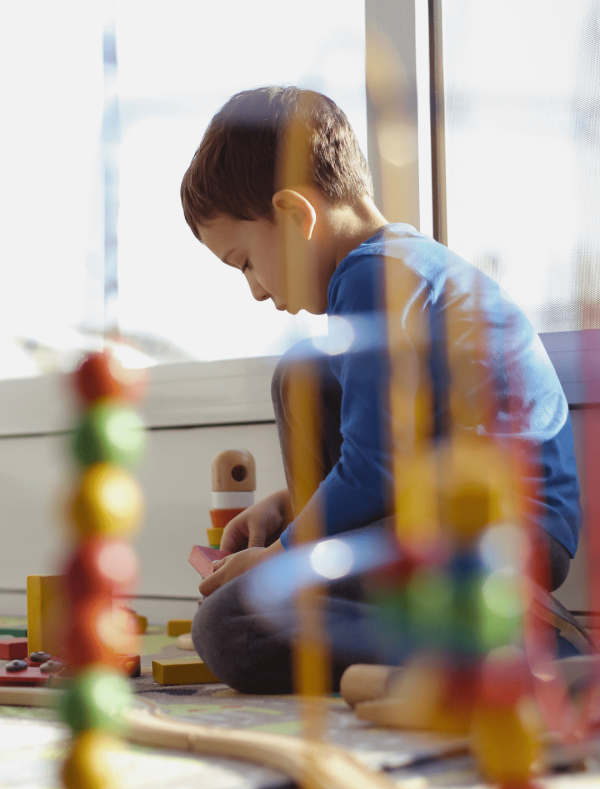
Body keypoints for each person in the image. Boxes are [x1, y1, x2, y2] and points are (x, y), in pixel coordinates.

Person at [180, 86, 581, 693]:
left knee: (227, 626)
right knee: (306, 373)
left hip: (493, 530)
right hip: (453, 518)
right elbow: (387, 445)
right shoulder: (394, 267)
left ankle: (514, 643)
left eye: (244, 262)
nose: (256, 290)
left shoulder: (374, 275)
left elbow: (376, 465)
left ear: (294, 215)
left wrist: (286, 551)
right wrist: (291, 506)